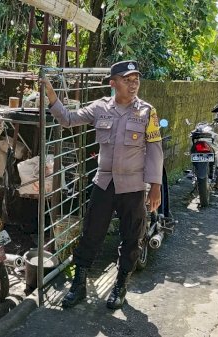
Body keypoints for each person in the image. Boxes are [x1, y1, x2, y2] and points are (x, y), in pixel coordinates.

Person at [41, 60, 164, 309]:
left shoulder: (147, 112)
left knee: (132, 238)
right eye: (127, 80)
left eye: (136, 79)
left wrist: (155, 186)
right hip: (104, 183)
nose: (133, 84)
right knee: (91, 235)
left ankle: (120, 285)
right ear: (113, 83)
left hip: (133, 186)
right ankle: (79, 285)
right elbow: (66, 119)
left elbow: (154, 149)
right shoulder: (99, 108)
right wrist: (51, 94)